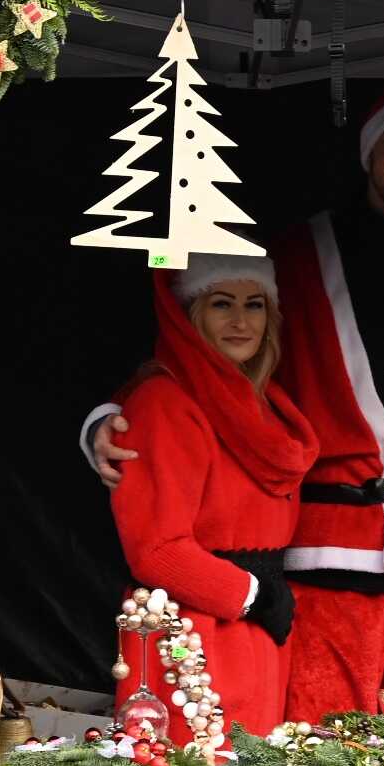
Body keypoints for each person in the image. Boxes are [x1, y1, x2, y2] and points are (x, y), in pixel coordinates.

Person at [90, 66, 384, 725]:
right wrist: (105, 418)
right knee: (314, 748)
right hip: (321, 560)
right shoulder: (291, 254)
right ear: (367, 150)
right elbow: (192, 352)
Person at [107, 254, 317, 740]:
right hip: (189, 633)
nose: (241, 321)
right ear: (191, 314)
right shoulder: (163, 402)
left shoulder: (265, 403)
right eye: (222, 304)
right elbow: (157, 549)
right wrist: (254, 596)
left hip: (256, 631)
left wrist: (262, 602)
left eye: (254, 305)